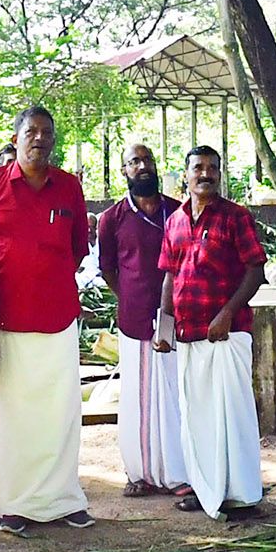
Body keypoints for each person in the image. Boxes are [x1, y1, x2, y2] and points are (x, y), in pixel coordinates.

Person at [0, 106, 92, 533]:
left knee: (60, 414)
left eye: (46, 132)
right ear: (17, 137)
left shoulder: (69, 188)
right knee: (13, 417)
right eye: (31, 131)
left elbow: (78, 250)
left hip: (58, 319)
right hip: (6, 323)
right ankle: (14, 503)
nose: (39, 138)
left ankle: (62, 499)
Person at [156, 146, 266, 521]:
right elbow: (170, 274)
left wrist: (227, 314)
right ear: (185, 175)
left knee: (232, 416)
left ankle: (242, 495)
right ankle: (207, 491)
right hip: (188, 336)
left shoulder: (236, 218)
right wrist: (164, 325)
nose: (206, 174)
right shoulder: (175, 222)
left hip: (227, 334)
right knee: (196, 417)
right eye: (198, 168)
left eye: (212, 168)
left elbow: (256, 271)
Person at [95, 144, 184, 498]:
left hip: (179, 318)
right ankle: (141, 473)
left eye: (148, 160)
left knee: (176, 395)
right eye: (134, 162)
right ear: (124, 172)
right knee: (138, 399)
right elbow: (107, 268)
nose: (143, 166)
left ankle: (180, 474)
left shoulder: (177, 212)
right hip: (135, 321)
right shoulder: (112, 219)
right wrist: (131, 298)